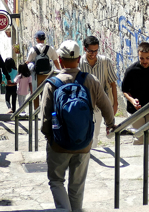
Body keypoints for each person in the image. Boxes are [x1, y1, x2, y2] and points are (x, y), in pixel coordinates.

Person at [41, 41, 116, 212]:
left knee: (56, 181)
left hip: (58, 144)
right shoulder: (90, 80)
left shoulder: (52, 84)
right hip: (83, 142)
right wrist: (110, 124)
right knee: (77, 186)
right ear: (79, 58)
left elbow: (45, 118)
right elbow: (106, 105)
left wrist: (50, 138)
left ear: (59, 59)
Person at [121, 42, 149, 145]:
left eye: (148, 58)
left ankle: (148, 159)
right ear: (138, 55)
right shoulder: (131, 71)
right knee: (139, 139)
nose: (145, 61)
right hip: (136, 110)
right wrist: (132, 101)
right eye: (142, 58)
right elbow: (124, 90)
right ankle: (139, 160)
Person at [79, 35, 118, 148]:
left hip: (99, 105)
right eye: (90, 51)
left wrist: (115, 104)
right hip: (84, 105)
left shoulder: (105, 62)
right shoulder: (79, 63)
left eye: (96, 51)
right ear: (85, 49)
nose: (93, 54)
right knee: (84, 134)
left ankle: (92, 153)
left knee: (95, 135)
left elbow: (112, 84)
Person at [26, 31, 61, 107]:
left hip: (36, 75)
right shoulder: (50, 48)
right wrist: (60, 71)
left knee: (35, 94)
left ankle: (36, 112)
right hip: (48, 75)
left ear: (37, 39)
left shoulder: (33, 49)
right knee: (47, 94)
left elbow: (28, 61)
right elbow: (55, 61)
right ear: (44, 39)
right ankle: (46, 111)